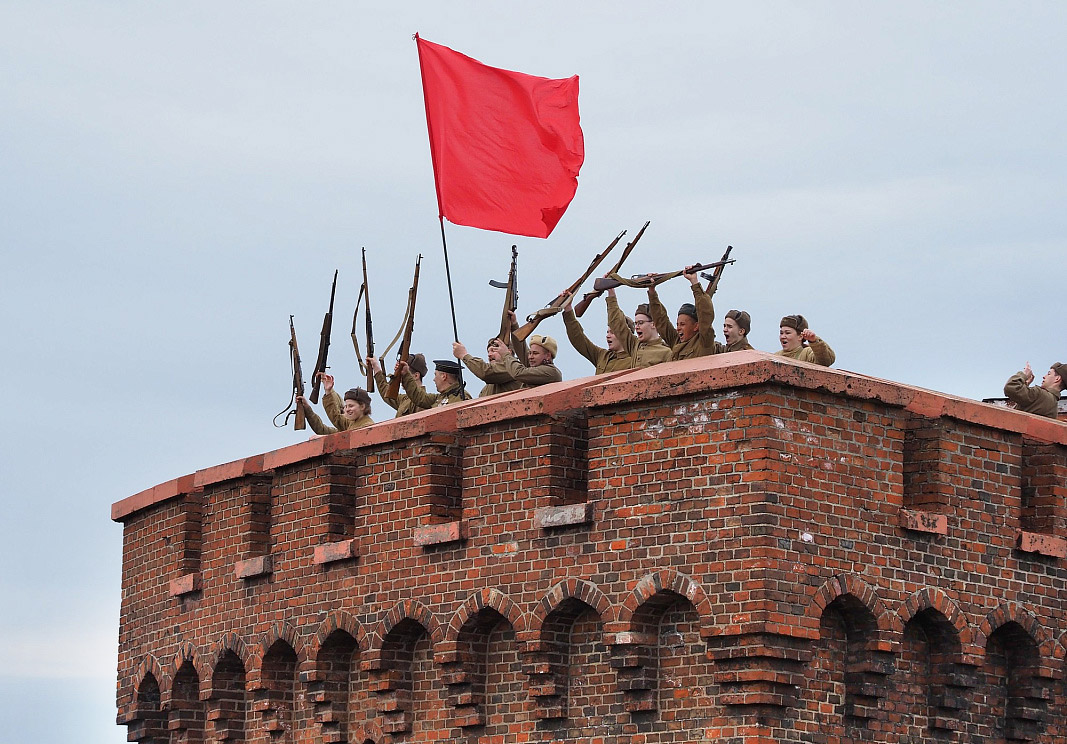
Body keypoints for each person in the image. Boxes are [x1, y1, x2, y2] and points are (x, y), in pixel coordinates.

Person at [646, 267, 719, 360]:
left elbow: (705, 314)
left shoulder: (704, 342)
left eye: (682, 324)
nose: (678, 328)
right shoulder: (676, 342)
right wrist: (652, 291)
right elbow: (661, 322)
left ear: (696, 326)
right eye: (677, 324)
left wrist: (694, 282)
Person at [561, 296, 631, 374]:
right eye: (607, 332)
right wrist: (568, 309)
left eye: (612, 332)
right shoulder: (602, 356)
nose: (608, 336)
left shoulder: (635, 359)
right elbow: (579, 340)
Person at [607, 290, 672, 369]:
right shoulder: (635, 345)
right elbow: (618, 325)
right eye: (636, 323)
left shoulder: (666, 352)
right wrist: (611, 293)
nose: (637, 327)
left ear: (653, 324)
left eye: (640, 323)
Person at [297, 373, 374, 434]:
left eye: (351, 406)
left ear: (362, 406)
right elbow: (323, 429)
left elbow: (336, 418)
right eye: (346, 406)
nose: (347, 410)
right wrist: (306, 407)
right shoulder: (351, 423)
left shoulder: (367, 427)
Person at [453, 338, 524, 397]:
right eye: (488, 352)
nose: (489, 355)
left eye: (493, 350)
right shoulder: (485, 390)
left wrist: (464, 355)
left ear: (508, 352)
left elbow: (485, 372)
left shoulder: (513, 368)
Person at [368, 353, 430, 417]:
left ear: (416, 376)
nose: (400, 378)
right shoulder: (405, 399)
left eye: (405, 373)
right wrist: (376, 367)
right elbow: (386, 393)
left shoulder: (422, 402)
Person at [400, 358, 472, 409]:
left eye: (435, 375)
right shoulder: (439, 397)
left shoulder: (461, 397)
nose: (434, 379)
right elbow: (419, 397)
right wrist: (406, 374)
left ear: (444, 376)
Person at [497, 334, 563, 388]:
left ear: (548, 355)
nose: (530, 357)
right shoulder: (536, 367)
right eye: (530, 353)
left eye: (535, 353)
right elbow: (521, 348)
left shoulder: (551, 371)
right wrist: (514, 325)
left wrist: (506, 355)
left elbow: (519, 373)